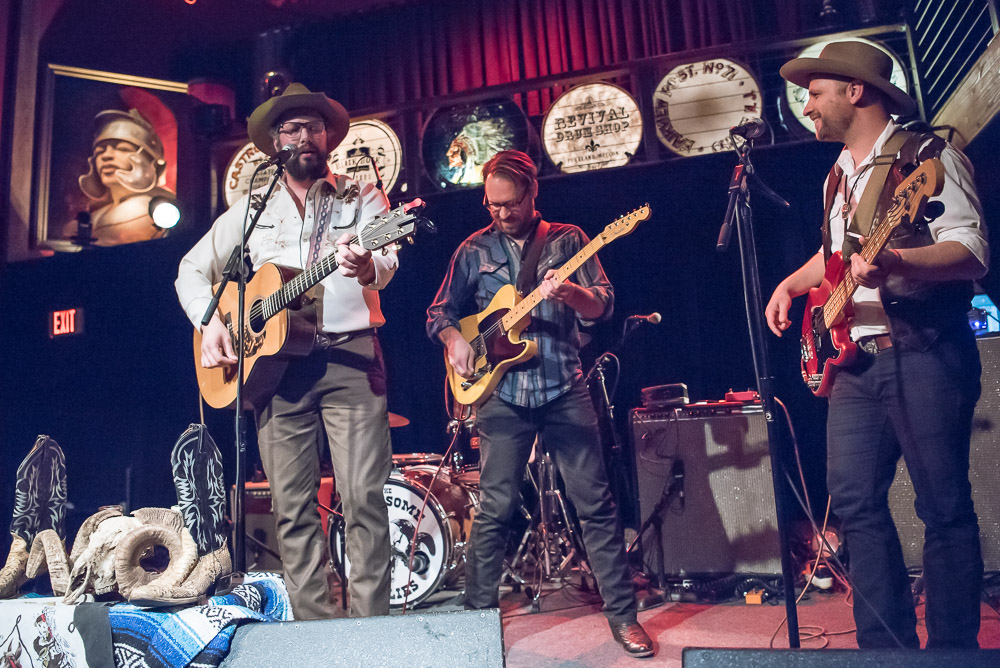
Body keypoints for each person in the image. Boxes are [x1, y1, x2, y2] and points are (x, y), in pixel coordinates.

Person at [765, 41, 988, 648]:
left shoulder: (926, 156)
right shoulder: (837, 174)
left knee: (942, 507)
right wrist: (792, 283)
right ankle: (885, 651)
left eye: (815, 93)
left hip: (922, 350)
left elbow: (970, 252)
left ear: (853, 91)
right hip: (855, 365)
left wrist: (894, 259)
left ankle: (951, 653)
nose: (808, 107)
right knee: (855, 503)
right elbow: (835, 258)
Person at [175, 83, 396, 620]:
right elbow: (190, 270)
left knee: (364, 498)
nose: (305, 137)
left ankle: (373, 634)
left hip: (350, 357)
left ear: (329, 138)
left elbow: (385, 261)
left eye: (314, 128)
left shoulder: (360, 196)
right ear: (275, 141)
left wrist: (367, 266)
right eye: (293, 129)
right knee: (292, 509)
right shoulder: (250, 210)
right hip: (274, 371)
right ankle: (315, 638)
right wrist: (209, 325)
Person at [426, 150, 653, 658]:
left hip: (562, 388)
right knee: (494, 511)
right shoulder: (472, 249)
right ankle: (475, 621)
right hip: (502, 394)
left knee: (595, 505)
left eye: (509, 204)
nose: (500, 214)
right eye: (492, 204)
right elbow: (439, 311)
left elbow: (603, 306)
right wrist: (454, 341)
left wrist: (570, 293)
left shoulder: (570, 240)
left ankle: (623, 617)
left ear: (532, 194)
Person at [63, 108, 176, 246]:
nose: (106, 156)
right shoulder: (96, 216)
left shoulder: (148, 212)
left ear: (150, 160)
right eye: (100, 151)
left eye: (123, 148)